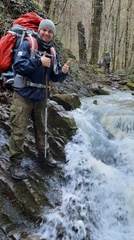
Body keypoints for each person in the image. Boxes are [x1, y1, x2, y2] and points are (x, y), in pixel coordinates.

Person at [8, 19, 70, 180]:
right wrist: (38, 61)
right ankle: (16, 164)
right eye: (44, 30)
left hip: (41, 97)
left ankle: (44, 156)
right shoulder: (28, 44)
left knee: (42, 130)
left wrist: (63, 72)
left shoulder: (52, 52)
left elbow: (54, 77)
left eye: (50, 31)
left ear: (52, 35)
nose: (46, 33)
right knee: (19, 130)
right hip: (23, 95)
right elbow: (18, 66)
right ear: (39, 30)